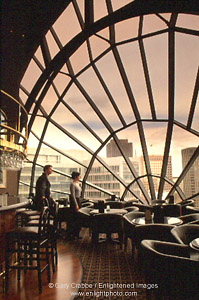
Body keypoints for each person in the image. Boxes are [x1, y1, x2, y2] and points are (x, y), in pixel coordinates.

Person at [66, 171, 82, 240]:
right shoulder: (72, 184)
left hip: (78, 201)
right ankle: (72, 234)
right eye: (79, 176)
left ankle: (76, 234)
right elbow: (73, 195)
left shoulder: (78, 184)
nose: (80, 177)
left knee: (78, 219)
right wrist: (76, 204)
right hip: (75, 202)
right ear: (75, 177)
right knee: (74, 218)